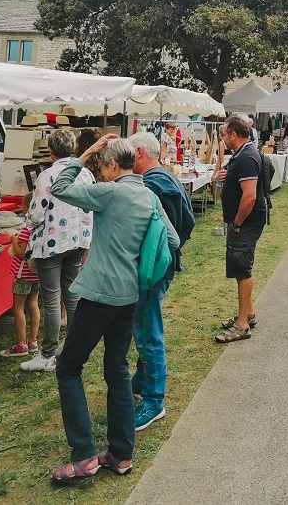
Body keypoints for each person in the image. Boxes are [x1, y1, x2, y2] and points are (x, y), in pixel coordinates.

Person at [48, 135, 179, 483]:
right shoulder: (148, 196)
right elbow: (172, 240)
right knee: (116, 369)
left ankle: (84, 456)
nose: (100, 173)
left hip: (100, 293)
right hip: (130, 296)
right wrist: (141, 267)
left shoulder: (109, 193)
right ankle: (121, 454)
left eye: (101, 165)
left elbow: (59, 186)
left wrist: (84, 152)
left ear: (110, 164)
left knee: (69, 366)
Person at [129, 132, 195, 431]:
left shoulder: (151, 184)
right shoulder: (167, 177)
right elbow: (188, 222)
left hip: (151, 269)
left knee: (147, 332)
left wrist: (160, 258)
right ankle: (142, 381)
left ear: (139, 152)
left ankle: (154, 401)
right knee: (146, 327)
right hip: (161, 266)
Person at [20, 129, 94, 373]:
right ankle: (71, 347)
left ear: (51, 152)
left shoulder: (48, 175)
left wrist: (28, 219)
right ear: (72, 149)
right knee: (72, 296)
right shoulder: (85, 174)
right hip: (78, 241)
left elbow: (38, 212)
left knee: (52, 300)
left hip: (51, 244)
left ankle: (48, 353)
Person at [215, 116, 267, 344]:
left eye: (225, 134)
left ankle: (243, 325)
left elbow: (250, 196)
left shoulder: (246, 156)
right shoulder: (243, 154)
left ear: (233, 134)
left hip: (245, 222)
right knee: (240, 267)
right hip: (244, 222)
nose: (223, 138)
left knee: (243, 269)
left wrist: (237, 222)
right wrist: (229, 176)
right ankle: (249, 314)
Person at [0, 193, 40, 357]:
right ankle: (32, 341)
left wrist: (13, 239)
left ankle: (20, 345)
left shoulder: (26, 230)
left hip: (22, 275)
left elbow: (21, 253)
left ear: (28, 209)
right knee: (34, 305)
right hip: (36, 275)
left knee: (18, 308)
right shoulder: (40, 228)